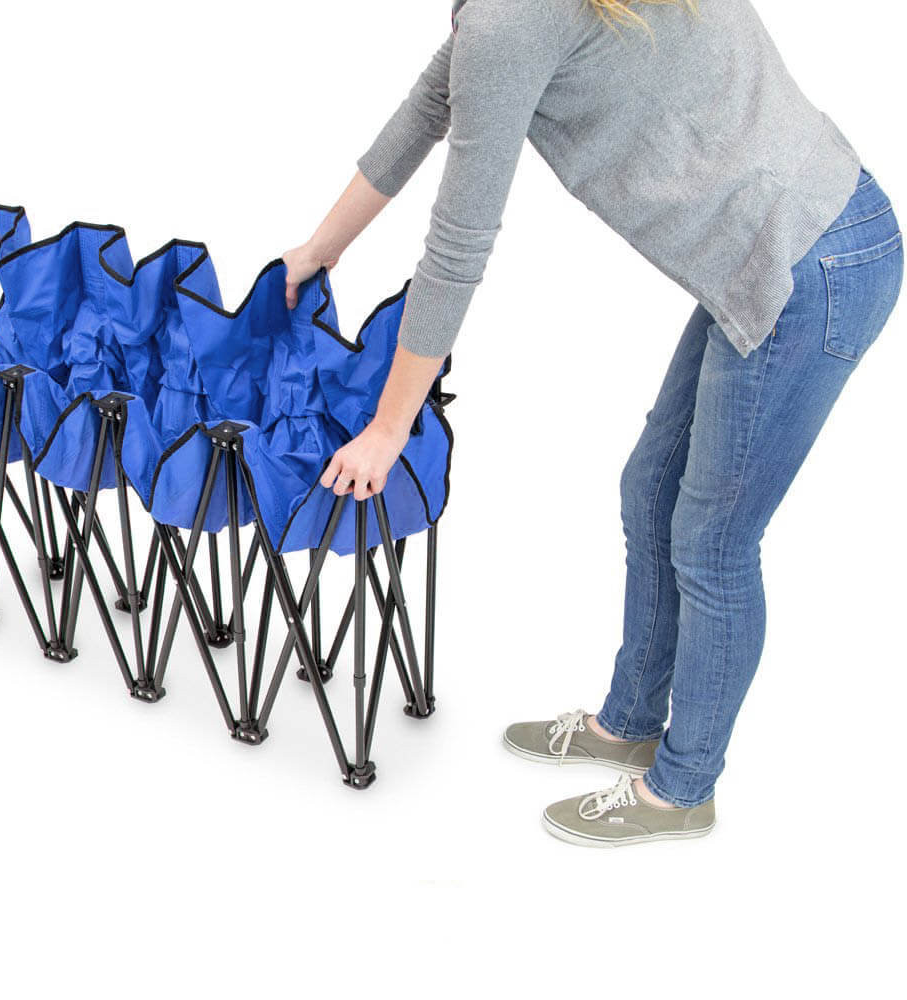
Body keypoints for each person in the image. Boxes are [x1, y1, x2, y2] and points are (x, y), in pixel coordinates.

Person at [281, 0, 903, 846]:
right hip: (795, 238)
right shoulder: (501, 18)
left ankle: (682, 790)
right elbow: (433, 102)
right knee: (651, 488)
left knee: (713, 542)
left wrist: (391, 428)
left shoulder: (512, 22)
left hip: (809, 263)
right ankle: (630, 724)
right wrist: (322, 249)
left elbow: (458, 245)